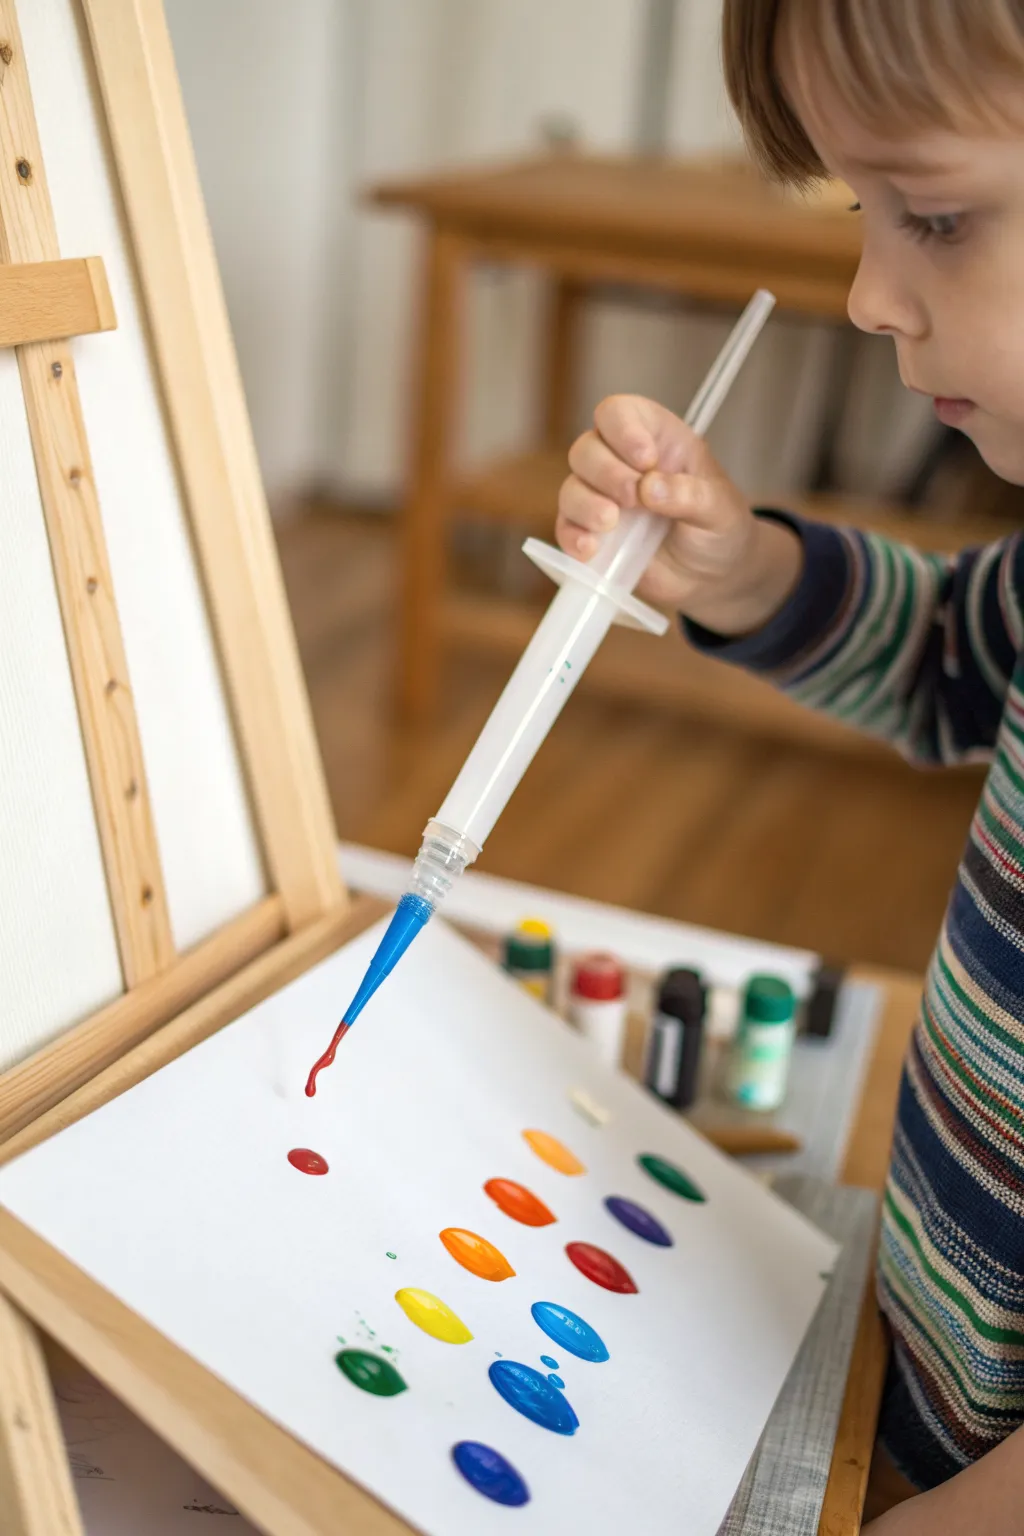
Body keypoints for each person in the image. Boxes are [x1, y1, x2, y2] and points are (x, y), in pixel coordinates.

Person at [556, 2, 1024, 1530]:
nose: (872, 294)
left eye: (936, 219)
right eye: (861, 215)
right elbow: (957, 654)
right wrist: (742, 571)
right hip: (927, 1401)